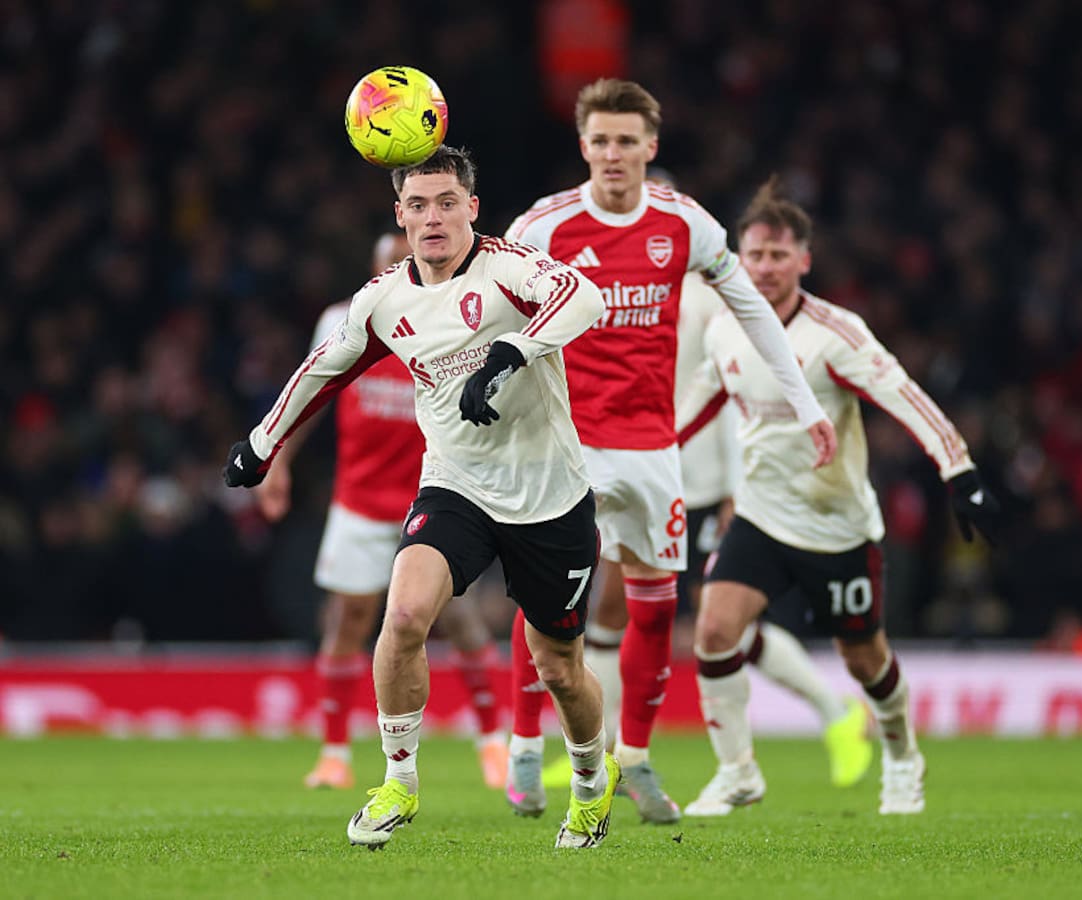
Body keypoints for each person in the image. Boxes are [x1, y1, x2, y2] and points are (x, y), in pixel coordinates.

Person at [224, 146, 619, 850]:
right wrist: (262, 443)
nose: (432, 217)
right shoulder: (384, 300)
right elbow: (323, 369)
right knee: (402, 614)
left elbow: (585, 296)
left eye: (446, 202)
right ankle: (397, 782)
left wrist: (512, 352)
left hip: (548, 496)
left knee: (559, 667)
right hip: (455, 485)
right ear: (398, 215)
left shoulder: (509, 267)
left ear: (472, 207)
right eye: (417, 205)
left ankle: (592, 782)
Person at [503, 78, 837, 824]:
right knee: (549, 606)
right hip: (569, 448)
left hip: (655, 449)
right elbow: (495, 316)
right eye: (601, 141)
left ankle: (637, 759)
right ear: (582, 145)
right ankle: (525, 746)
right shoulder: (543, 228)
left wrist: (808, 404)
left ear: (651, 147)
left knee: (655, 614)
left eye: (628, 141)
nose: (614, 154)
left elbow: (755, 313)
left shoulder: (685, 224)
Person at [677, 177, 1001, 816]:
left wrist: (958, 471)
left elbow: (906, 397)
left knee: (864, 658)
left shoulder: (837, 333)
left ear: (804, 260)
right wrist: (632, 460)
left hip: (838, 525)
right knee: (714, 630)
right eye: (754, 255)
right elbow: (687, 412)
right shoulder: (724, 329)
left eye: (778, 256)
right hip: (762, 515)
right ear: (738, 257)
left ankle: (904, 755)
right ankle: (737, 771)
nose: (764, 268)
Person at [255, 232, 508, 792]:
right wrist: (277, 460)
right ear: (373, 272)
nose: (401, 268)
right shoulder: (345, 321)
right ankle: (334, 754)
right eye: (389, 262)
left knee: (459, 620)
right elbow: (312, 394)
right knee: (347, 621)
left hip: (436, 492)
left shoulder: (459, 317)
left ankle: (494, 744)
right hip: (361, 500)